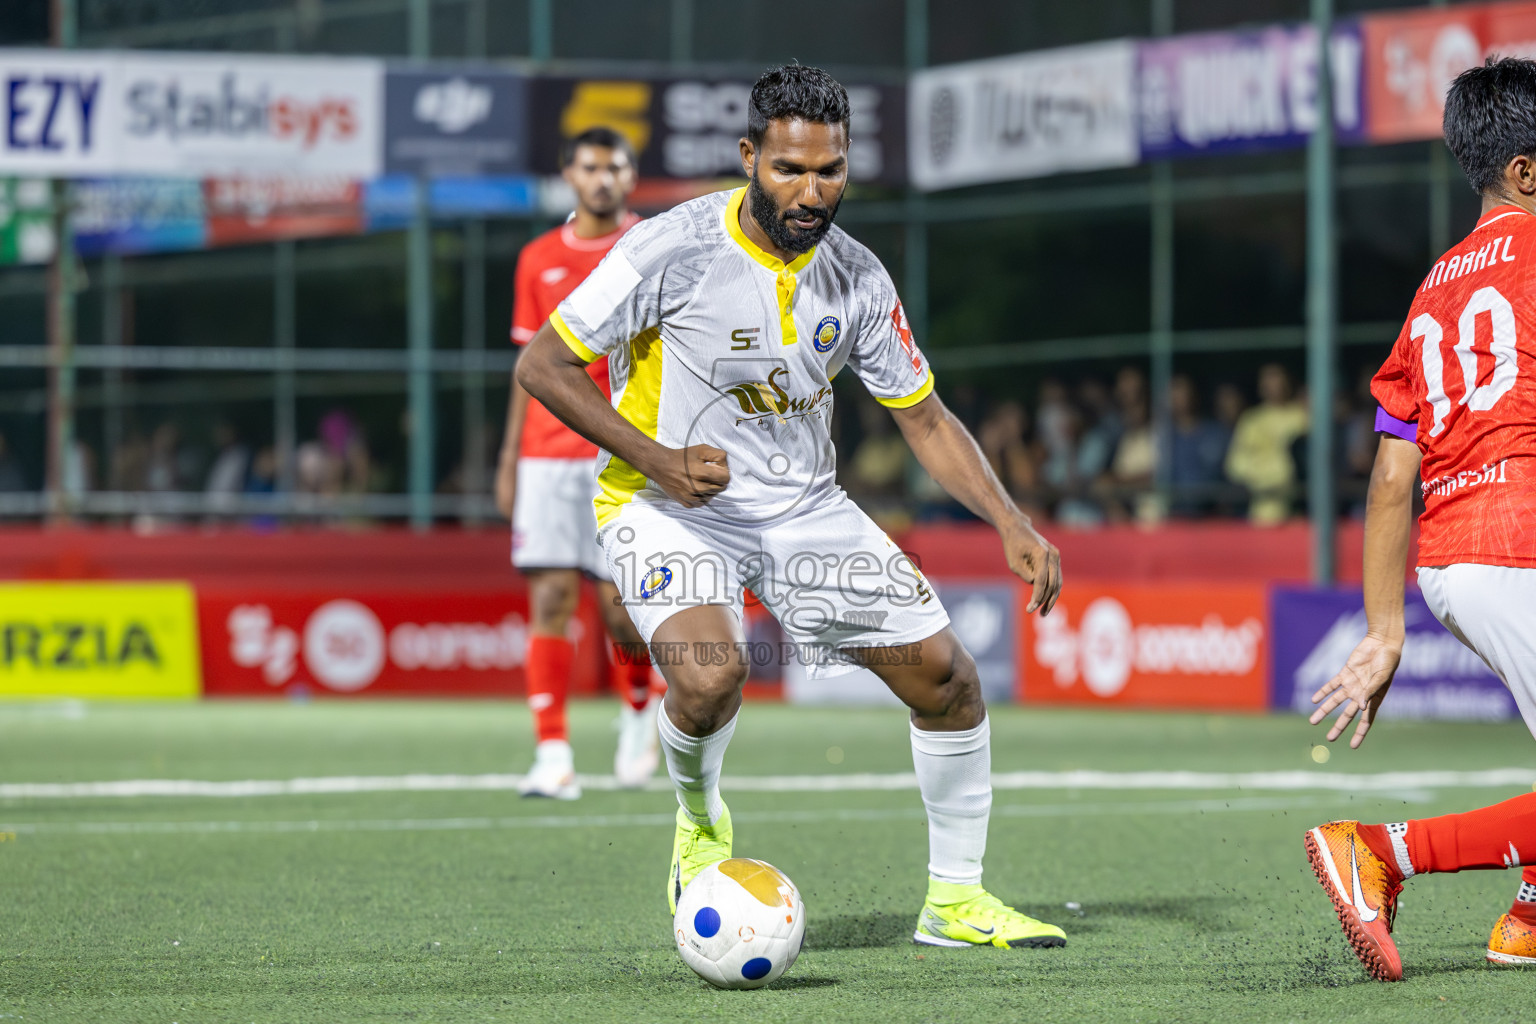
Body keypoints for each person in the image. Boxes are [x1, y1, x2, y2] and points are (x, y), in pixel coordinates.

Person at [516, 64, 1066, 949]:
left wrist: (1011, 520)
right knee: (709, 673)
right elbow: (542, 365)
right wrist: (656, 457)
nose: (813, 192)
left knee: (950, 680)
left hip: (804, 510)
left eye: (831, 171)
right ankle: (699, 821)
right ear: (749, 158)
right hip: (665, 504)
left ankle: (955, 902)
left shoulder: (857, 278)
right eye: (790, 171)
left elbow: (922, 416)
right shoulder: (671, 247)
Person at [1303, 56, 1536, 981]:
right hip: (1519, 542)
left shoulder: (1435, 287)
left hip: (1452, 559)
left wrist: (1386, 628)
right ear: (1526, 169)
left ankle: (1529, 913)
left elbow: (1393, 474)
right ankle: (1384, 852)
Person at [495, 126, 660, 799]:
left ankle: (640, 709)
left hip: (619, 444)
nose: (601, 179)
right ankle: (552, 753)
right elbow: (526, 365)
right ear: (569, 174)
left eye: (614, 168)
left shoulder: (650, 246)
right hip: (544, 454)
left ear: (629, 177)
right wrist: (508, 455)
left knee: (621, 609)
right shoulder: (538, 258)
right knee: (551, 597)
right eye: (589, 167)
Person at [1223, 363, 1307, 524]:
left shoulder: (1301, 416)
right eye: (1269, 382)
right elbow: (1235, 464)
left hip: (1296, 510)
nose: (1274, 387)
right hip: (1259, 509)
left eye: (1278, 381)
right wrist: (1261, 477)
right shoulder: (1251, 420)